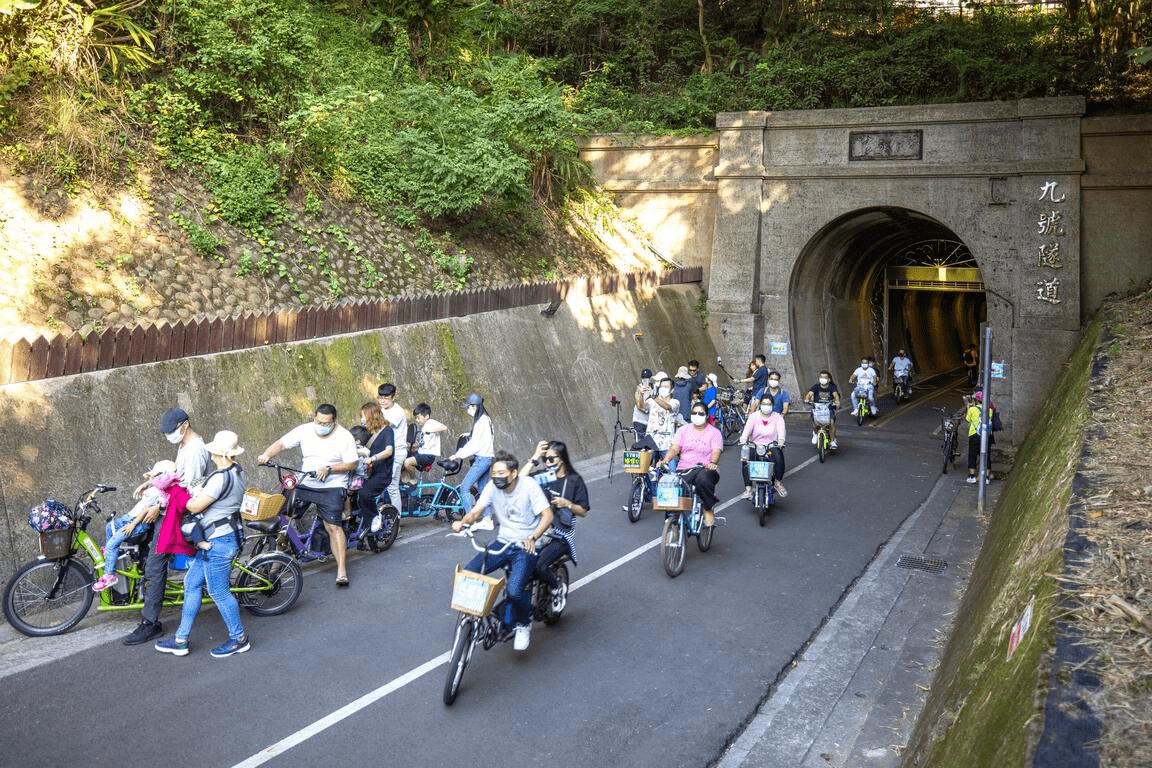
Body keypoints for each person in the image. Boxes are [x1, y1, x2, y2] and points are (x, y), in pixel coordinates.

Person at [154, 431, 250, 658]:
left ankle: (239, 639)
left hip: (218, 541)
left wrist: (177, 491)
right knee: (192, 583)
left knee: (219, 592)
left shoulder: (219, 477)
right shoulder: (239, 471)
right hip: (223, 537)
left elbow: (195, 507)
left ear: (218, 452)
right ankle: (180, 640)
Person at [122, 407, 212, 646]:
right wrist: (151, 485)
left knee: (155, 565)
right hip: (169, 509)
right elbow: (174, 478)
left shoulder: (194, 450)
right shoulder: (184, 445)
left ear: (185, 425)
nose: (169, 436)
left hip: (176, 514)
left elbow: (187, 493)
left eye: (171, 431)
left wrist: (157, 506)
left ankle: (150, 623)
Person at [451, 451, 553, 651]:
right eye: (494, 473)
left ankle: (523, 624)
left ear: (513, 473)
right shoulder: (491, 487)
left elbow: (547, 515)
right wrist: (463, 522)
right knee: (469, 574)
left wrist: (533, 537)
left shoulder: (528, 486)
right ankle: (473, 620)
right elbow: (476, 511)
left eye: (501, 473)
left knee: (515, 591)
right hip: (503, 542)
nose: (496, 477)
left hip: (525, 545)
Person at [257, 404, 359, 587]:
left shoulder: (344, 436)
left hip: (333, 485)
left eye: (326, 423)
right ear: (314, 418)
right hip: (306, 481)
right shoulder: (305, 430)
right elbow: (281, 443)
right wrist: (266, 454)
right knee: (280, 517)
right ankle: (279, 556)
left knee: (333, 526)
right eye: (318, 421)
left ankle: (342, 570)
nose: (322, 425)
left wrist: (330, 468)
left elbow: (352, 463)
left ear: (334, 421)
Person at [525, 440, 589, 613]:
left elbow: (583, 511)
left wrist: (567, 504)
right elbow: (520, 481)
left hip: (560, 535)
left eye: (551, 459)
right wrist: (535, 457)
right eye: (545, 459)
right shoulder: (544, 477)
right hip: (537, 530)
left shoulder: (574, 481)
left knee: (540, 566)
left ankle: (556, 589)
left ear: (562, 459)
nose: (547, 463)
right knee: (516, 561)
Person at [93, 461, 178, 592]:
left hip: (136, 524)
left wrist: (132, 524)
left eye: (154, 476)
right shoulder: (160, 488)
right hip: (130, 519)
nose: (151, 479)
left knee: (112, 544)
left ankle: (110, 575)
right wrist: (147, 484)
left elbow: (144, 510)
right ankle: (114, 554)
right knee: (110, 526)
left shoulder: (159, 492)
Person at [657, 402, 723, 527]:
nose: (697, 415)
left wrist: (713, 463)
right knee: (669, 484)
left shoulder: (714, 433)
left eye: (700, 413)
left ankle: (708, 508)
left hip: (706, 469)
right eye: (694, 413)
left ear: (706, 415)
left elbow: (716, 451)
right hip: (685, 469)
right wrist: (665, 460)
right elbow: (674, 448)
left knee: (702, 480)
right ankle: (672, 521)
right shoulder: (683, 430)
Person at [449, 393, 494, 512]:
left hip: (481, 459)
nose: (468, 410)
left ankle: (469, 519)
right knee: (483, 490)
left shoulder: (480, 422)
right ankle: (488, 519)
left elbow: (474, 445)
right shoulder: (486, 419)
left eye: (468, 407)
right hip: (487, 458)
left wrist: (458, 454)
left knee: (464, 487)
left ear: (474, 407)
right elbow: (485, 437)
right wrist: (469, 434)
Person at [356, 402, 394, 531]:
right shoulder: (367, 432)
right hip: (367, 472)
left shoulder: (387, 431)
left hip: (381, 474)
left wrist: (373, 458)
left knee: (364, 493)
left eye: (364, 416)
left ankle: (375, 516)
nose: (362, 419)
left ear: (372, 416)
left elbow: (389, 451)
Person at [739, 401, 788, 499]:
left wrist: (781, 440)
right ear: (760, 405)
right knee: (746, 459)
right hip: (755, 445)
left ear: (772, 405)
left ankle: (777, 483)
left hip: (770, 446)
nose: (766, 406)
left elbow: (781, 431)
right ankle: (748, 489)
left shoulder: (777, 417)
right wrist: (743, 438)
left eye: (769, 404)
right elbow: (747, 430)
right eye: (764, 403)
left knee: (779, 456)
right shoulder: (754, 416)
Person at [376, 383, 408, 531]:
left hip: (397, 452)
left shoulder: (398, 412)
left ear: (393, 398)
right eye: (380, 398)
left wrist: (371, 417)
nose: (383, 401)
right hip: (383, 452)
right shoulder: (380, 410)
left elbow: (385, 424)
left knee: (392, 487)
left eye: (386, 398)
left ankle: (396, 523)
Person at [635, 372, 678, 460]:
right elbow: (641, 406)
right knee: (645, 467)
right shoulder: (652, 401)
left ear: (672, 390)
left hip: (667, 443)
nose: (663, 389)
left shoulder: (675, 402)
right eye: (662, 387)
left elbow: (667, 407)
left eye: (666, 387)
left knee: (670, 469)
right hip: (651, 440)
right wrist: (640, 394)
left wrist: (654, 396)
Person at [401, 402, 447, 482]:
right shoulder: (424, 427)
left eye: (418, 418)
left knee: (407, 462)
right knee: (401, 456)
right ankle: (405, 480)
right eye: (416, 418)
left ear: (426, 416)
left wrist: (431, 430)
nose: (417, 420)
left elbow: (444, 427)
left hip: (428, 455)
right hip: (421, 453)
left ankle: (413, 480)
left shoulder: (431, 422)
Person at [803, 370, 841, 449]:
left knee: (831, 423)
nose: (822, 379)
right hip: (817, 408)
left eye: (825, 377)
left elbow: (835, 395)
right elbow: (809, 394)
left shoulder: (832, 387)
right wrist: (807, 399)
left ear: (829, 379)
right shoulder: (815, 387)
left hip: (828, 408)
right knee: (815, 423)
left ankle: (833, 441)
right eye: (821, 377)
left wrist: (837, 401)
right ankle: (815, 434)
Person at [965, 391, 996, 484]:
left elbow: (967, 419)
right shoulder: (989, 410)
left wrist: (968, 408)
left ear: (977, 400)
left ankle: (972, 476)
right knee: (986, 455)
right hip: (986, 436)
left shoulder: (972, 409)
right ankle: (986, 477)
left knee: (972, 455)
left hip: (974, 435)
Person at [632, 368, 654, 440]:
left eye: (647, 378)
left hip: (650, 422)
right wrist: (641, 394)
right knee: (639, 443)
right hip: (639, 421)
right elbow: (639, 405)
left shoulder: (654, 388)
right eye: (644, 378)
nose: (645, 380)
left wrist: (652, 394)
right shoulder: (639, 388)